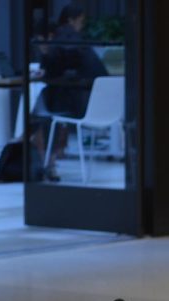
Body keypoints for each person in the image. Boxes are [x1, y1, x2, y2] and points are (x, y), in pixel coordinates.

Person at [39, 3, 108, 179]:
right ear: (72, 20)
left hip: (79, 105)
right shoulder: (78, 41)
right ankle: (51, 156)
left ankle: (47, 159)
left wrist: (45, 56)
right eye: (81, 21)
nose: (82, 24)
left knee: (43, 112)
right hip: (99, 106)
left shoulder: (63, 38)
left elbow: (53, 68)